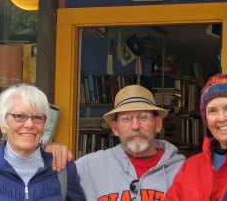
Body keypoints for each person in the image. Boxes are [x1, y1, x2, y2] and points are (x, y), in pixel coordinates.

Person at [47, 84, 186, 201]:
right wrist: (46, 152)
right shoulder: (87, 168)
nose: (135, 126)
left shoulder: (184, 171)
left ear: (158, 124)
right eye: (126, 118)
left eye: (143, 117)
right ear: (114, 128)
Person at [0, 84, 85, 201]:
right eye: (19, 116)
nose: (30, 124)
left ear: (45, 125)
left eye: (38, 117)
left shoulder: (62, 169)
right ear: (3, 124)